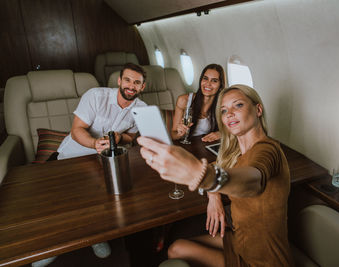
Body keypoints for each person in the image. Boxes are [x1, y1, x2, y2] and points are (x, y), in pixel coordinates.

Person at [137, 84, 294, 267]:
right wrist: (214, 196)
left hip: (263, 261)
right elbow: (218, 166)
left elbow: (252, 181)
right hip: (241, 241)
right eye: (224, 110)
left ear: (258, 109)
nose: (229, 114)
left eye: (238, 105)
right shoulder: (238, 152)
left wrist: (202, 176)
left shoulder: (268, 150)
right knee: (175, 248)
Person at [33, 63, 147, 267]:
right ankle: (53, 243)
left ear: (142, 87)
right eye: (128, 80)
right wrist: (94, 143)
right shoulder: (95, 96)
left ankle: (96, 237)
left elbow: (131, 136)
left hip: (106, 161)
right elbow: (77, 130)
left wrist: (122, 137)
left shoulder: (142, 109)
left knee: (106, 202)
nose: (131, 86)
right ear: (119, 81)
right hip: (71, 156)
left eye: (137, 83)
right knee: (61, 205)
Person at [171, 64, 225, 142]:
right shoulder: (184, 100)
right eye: (205, 79)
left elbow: (233, 129)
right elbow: (173, 135)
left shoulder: (222, 103)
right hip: (187, 146)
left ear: (220, 85)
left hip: (206, 145)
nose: (208, 84)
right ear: (201, 80)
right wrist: (179, 133)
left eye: (214, 81)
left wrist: (220, 134)